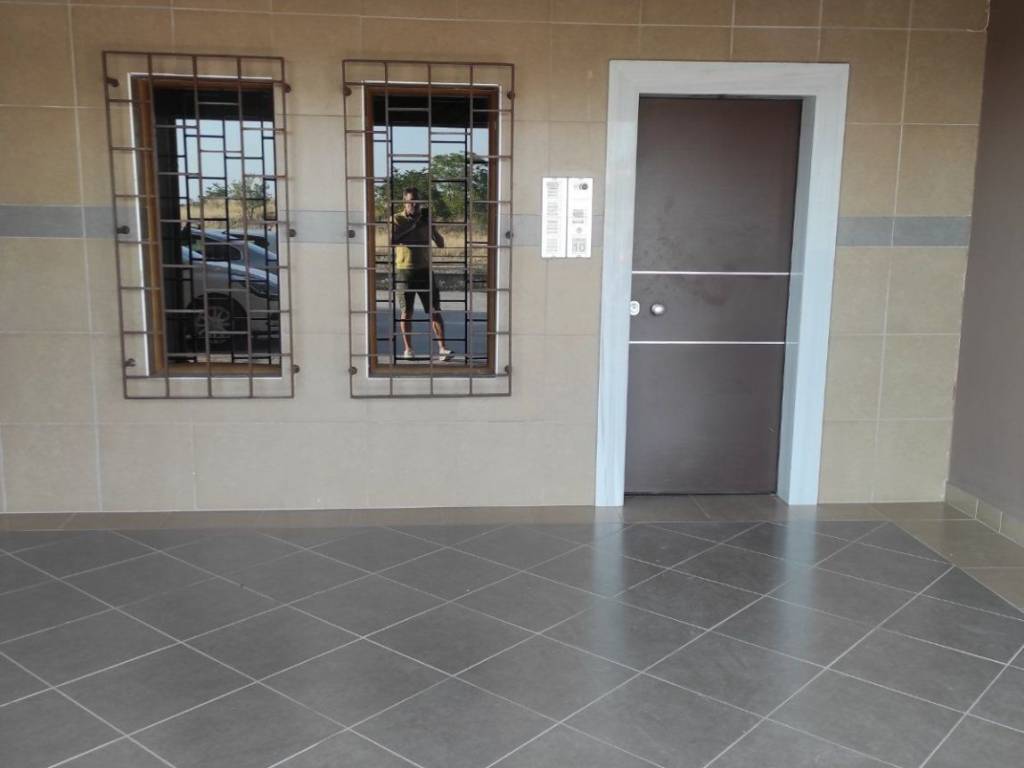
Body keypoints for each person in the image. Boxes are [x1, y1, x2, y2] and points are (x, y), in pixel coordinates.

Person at [391, 186, 453, 361]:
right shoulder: (397, 219)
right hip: (405, 271)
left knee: (434, 310)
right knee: (407, 311)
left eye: (418, 202)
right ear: (405, 202)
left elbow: (440, 243)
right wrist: (414, 226)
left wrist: (431, 227)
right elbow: (393, 240)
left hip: (425, 270)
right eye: (411, 202)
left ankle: (442, 349)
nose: (415, 205)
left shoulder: (427, 219)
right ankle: (408, 349)